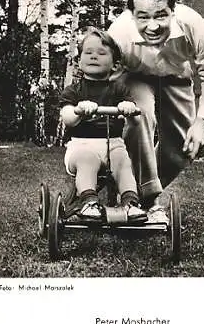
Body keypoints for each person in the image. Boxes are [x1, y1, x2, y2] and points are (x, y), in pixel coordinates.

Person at [108, 0, 204, 221]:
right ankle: (150, 201)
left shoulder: (197, 27)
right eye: (143, 17)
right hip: (135, 77)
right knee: (140, 115)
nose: (153, 26)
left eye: (161, 15)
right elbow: (105, 78)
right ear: (132, 14)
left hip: (176, 78)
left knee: (185, 147)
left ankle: (131, 192)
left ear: (173, 10)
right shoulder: (118, 35)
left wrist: (201, 123)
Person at [59, 28, 145, 221]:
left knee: (122, 162)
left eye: (101, 53)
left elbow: (136, 121)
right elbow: (67, 118)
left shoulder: (119, 90)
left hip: (113, 143)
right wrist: (78, 111)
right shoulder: (74, 91)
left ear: (114, 65)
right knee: (87, 159)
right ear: (79, 61)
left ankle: (130, 202)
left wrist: (129, 109)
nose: (94, 57)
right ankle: (89, 202)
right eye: (88, 53)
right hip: (81, 145)